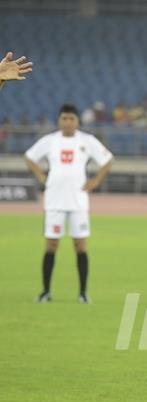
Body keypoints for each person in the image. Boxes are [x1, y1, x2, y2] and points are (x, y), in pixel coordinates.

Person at [24, 104, 114, 303]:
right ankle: (45, 292)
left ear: (78, 121)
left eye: (71, 119)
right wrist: (40, 175)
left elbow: (108, 160)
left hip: (78, 201)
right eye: (64, 118)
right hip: (54, 200)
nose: (67, 122)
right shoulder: (50, 141)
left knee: (80, 246)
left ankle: (83, 293)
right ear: (59, 120)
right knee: (51, 245)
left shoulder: (87, 141)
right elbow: (29, 157)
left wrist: (96, 180)